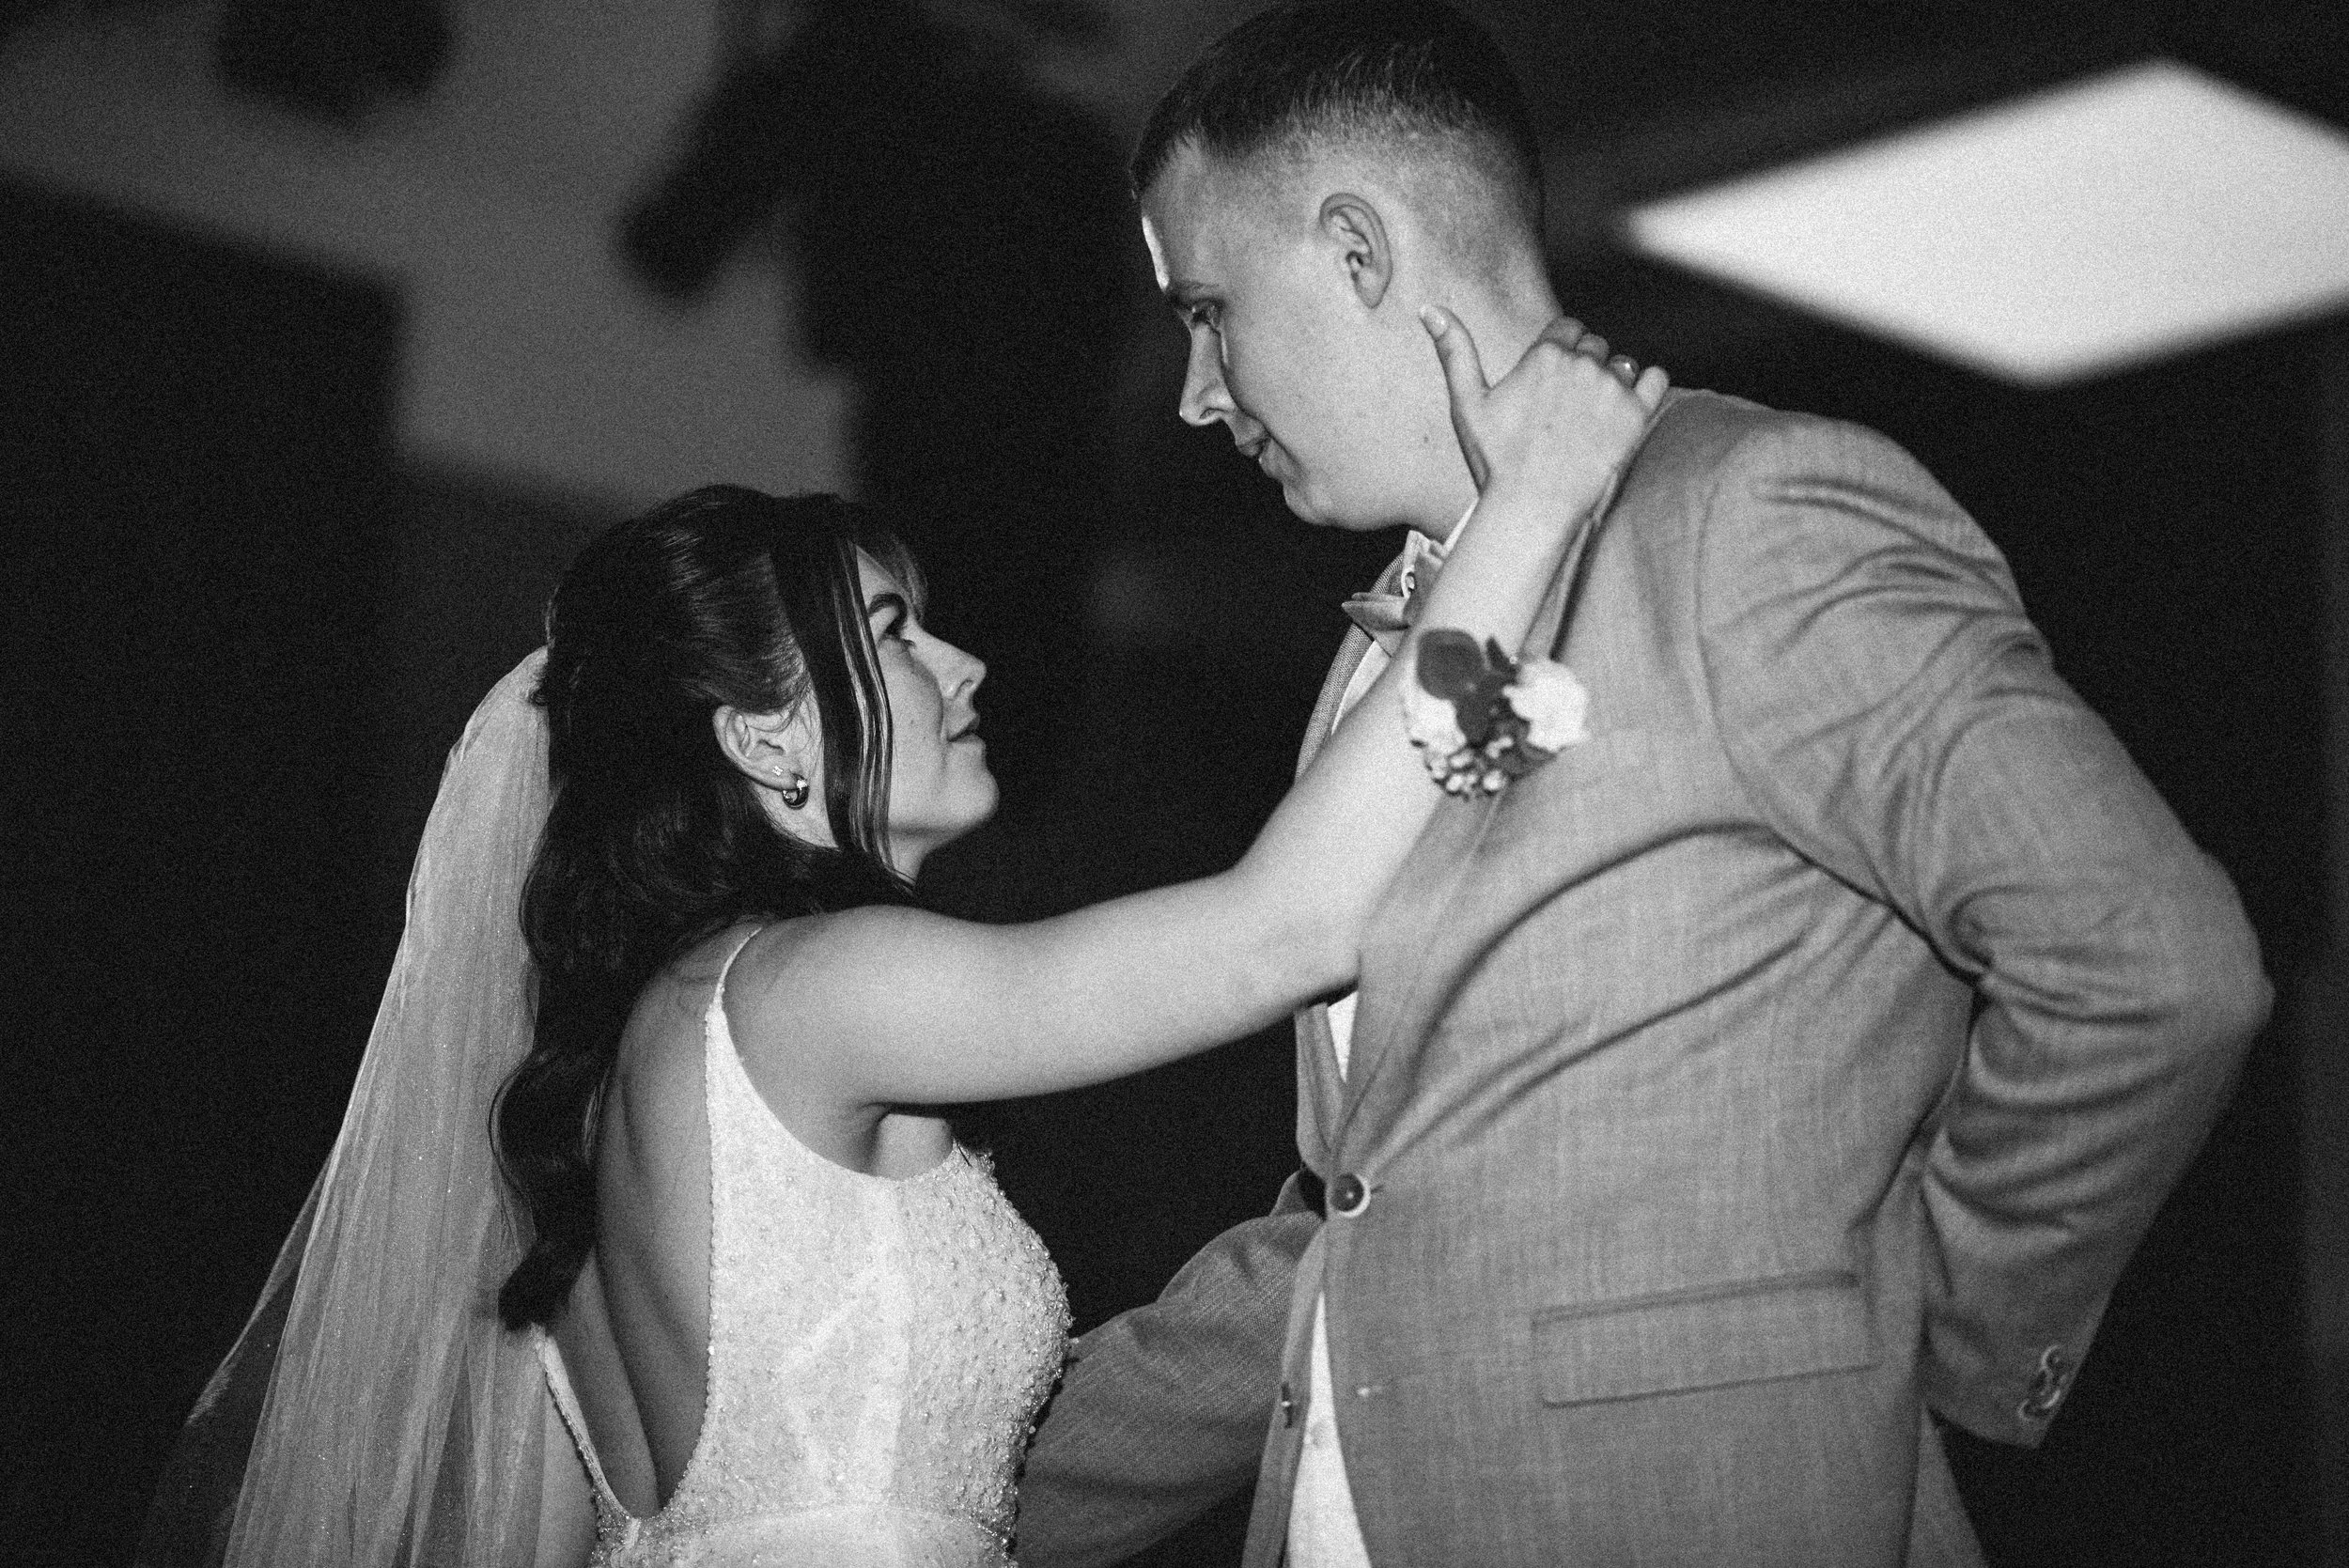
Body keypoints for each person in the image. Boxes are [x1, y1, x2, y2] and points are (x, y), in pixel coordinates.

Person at [1010, 4, 2273, 1565]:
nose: (1199, 391)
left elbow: (2150, 959)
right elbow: (1358, 1223)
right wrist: (937, 1499)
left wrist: (1926, 1320)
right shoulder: (1380, 655)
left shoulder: (1751, 516)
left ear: (1356, 250)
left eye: (1211, 311)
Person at [133, 303, 1667, 1563]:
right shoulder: (814, 988)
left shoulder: (646, 1053)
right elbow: (1283, 932)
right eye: (891, 638)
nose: (965, 660)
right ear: (763, 741)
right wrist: (1526, 504)